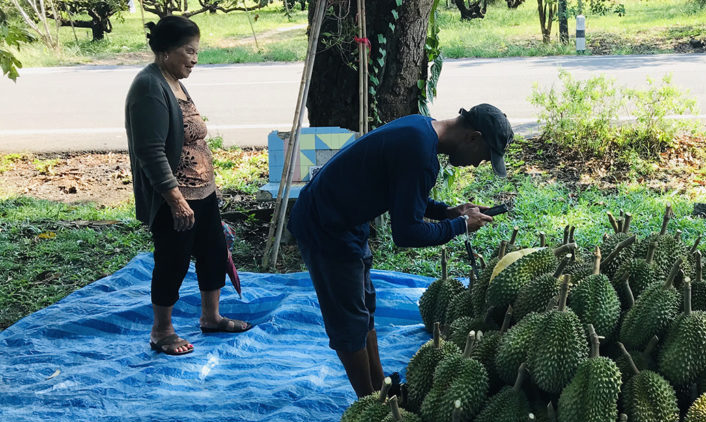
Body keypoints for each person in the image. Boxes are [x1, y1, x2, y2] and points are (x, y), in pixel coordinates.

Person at [288, 105, 513, 398]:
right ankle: (368, 403)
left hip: (348, 219)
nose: (477, 165)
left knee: (364, 308)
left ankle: (380, 386)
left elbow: (404, 196)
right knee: (348, 322)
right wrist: (459, 226)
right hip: (325, 224)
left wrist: (448, 212)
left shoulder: (422, 128)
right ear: (473, 137)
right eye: (483, 157)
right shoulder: (421, 153)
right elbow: (407, 233)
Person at [125, 15, 251, 356]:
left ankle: (211, 317)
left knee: (213, 253)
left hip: (203, 192)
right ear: (166, 51)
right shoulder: (150, 87)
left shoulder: (175, 80)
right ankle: (161, 330)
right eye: (188, 51)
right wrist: (175, 199)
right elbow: (150, 151)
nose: (194, 59)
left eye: (197, 52)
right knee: (174, 260)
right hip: (175, 197)